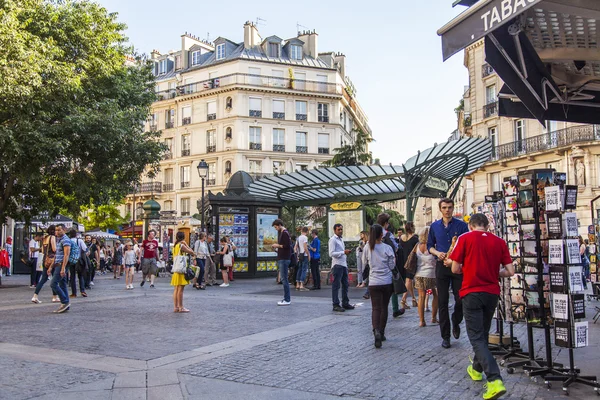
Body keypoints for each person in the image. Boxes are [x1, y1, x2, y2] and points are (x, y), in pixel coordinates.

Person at [450, 213, 514, 400]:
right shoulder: (499, 242)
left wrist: (468, 267)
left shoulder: (465, 238)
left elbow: (454, 268)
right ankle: (476, 369)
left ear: (470, 226)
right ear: (487, 226)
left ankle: (494, 379)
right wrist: (495, 272)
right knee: (483, 333)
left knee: (476, 337)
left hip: (471, 292)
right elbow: (510, 271)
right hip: (492, 293)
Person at [427, 198, 469, 349]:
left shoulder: (462, 225)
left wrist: (454, 259)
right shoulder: (434, 226)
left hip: (457, 266)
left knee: (460, 299)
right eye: (444, 207)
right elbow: (430, 246)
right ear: (440, 209)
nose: (447, 210)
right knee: (442, 301)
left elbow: (466, 247)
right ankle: (445, 336)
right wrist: (438, 253)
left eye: (450, 207)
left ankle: (456, 320)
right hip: (441, 266)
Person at [363, 224, 396, 348]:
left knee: (375, 308)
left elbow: (363, 262)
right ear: (381, 235)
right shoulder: (387, 248)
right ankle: (381, 332)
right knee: (384, 307)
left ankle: (375, 330)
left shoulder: (367, 247)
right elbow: (392, 266)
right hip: (386, 281)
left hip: (373, 282)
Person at [377, 213, 404, 318]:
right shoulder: (388, 234)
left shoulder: (373, 233)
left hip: (376, 264)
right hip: (388, 263)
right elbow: (396, 248)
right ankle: (395, 309)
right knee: (393, 286)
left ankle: (378, 309)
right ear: (386, 223)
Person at [414, 227, 438, 327]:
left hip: (419, 274)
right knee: (436, 295)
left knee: (421, 296)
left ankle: (421, 321)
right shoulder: (432, 246)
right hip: (431, 274)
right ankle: (433, 318)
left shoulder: (417, 246)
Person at [329, 223, 354, 312]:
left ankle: (345, 302)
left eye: (341, 229)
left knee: (345, 284)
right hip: (337, 264)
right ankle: (335, 304)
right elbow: (331, 253)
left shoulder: (341, 239)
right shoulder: (333, 240)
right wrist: (343, 252)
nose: (340, 231)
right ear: (335, 230)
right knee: (336, 285)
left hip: (343, 264)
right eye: (339, 229)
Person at [32, 226, 59, 304]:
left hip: (45, 259)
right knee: (54, 278)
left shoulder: (45, 238)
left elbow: (43, 250)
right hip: (52, 259)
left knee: (43, 279)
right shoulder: (52, 237)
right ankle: (55, 297)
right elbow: (54, 249)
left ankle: (35, 296)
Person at [171, 231, 196, 312]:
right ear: (183, 237)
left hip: (176, 268)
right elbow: (192, 252)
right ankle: (181, 307)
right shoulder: (181, 246)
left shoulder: (175, 246)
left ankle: (176, 307)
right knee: (180, 289)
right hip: (181, 269)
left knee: (176, 289)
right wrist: (186, 244)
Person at [50, 224, 72, 313]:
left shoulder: (66, 240)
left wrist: (63, 268)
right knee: (62, 284)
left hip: (62, 265)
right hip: (58, 264)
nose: (57, 232)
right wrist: (51, 266)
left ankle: (64, 301)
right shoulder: (59, 240)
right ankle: (65, 304)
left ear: (64, 230)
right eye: (56, 230)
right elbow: (57, 254)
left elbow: (66, 255)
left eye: (59, 230)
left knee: (53, 284)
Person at [272, 219, 292, 306]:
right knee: (284, 279)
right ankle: (286, 298)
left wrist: (277, 245)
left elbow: (287, 246)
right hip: (283, 257)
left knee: (284, 279)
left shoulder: (284, 233)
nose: (276, 229)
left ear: (279, 225)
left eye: (276, 227)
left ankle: (287, 299)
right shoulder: (284, 233)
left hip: (284, 258)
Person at [399, 222, 419, 309]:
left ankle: (414, 299)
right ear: (412, 227)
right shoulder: (415, 238)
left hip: (403, 260)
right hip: (411, 261)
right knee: (408, 280)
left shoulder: (402, 238)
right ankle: (403, 300)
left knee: (409, 280)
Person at [68, 229, 87, 298]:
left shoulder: (68, 241)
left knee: (72, 277)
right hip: (79, 260)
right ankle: (82, 290)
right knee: (80, 275)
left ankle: (74, 293)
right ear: (76, 234)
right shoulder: (80, 241)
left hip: (71, 261)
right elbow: (85, 249)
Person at [294, 227, 310, 291]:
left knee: (299, 269)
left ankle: (297, 284)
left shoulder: (298, 238)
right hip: (305, 255)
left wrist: (297, 255)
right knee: (304, 269)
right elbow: (305, 247)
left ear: (301, 231)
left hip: (300, 255)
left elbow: (295, 248)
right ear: (307, 231)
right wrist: (309, 255)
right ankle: (301, 285)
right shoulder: (305, 238)